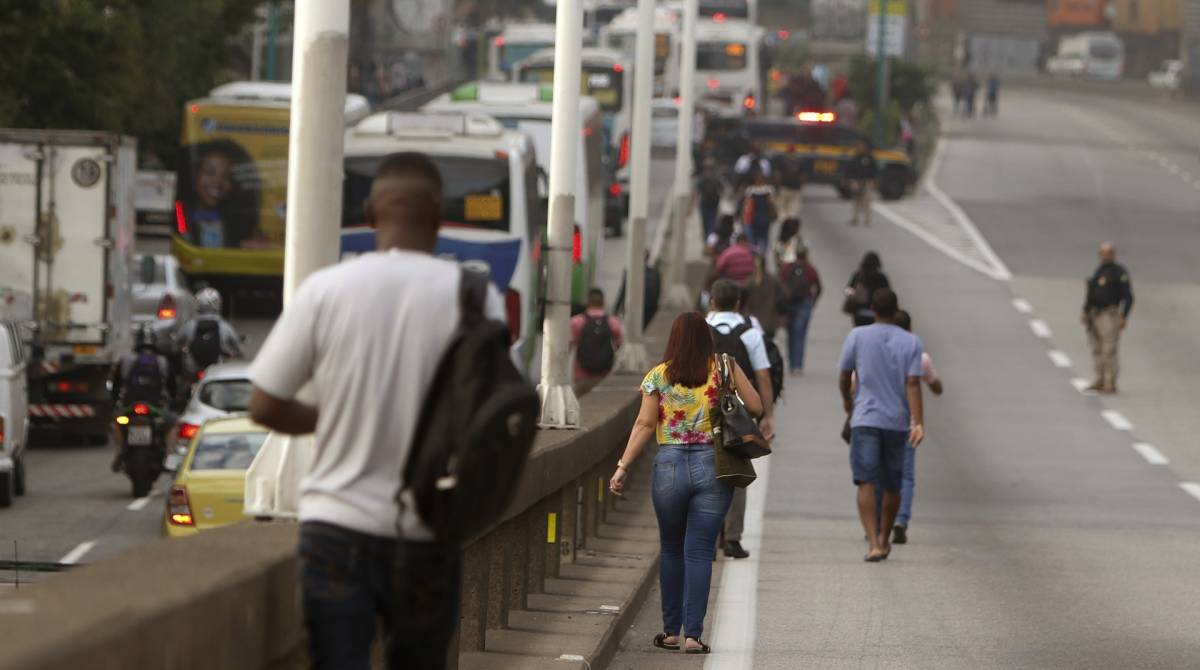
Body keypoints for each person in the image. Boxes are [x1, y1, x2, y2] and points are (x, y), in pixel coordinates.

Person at [248, 152, 506, 669]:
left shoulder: (325, 290)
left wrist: (331, 417)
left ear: (369, 215)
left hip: (334, 529)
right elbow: (490, 415)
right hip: (426, 532)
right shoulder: (477, 298)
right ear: (438, 217)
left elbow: (264, 404)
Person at [608, 312, 762, 655]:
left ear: (674, 339)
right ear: (707, 338)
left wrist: (622, 466)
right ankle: (694, 635)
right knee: (700, 550)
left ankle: (670, 632)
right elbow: (755, 406)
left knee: (672, 547)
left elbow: (645, 426)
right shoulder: (723, 368)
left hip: (669, 467)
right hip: (713, 464)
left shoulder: (659, 376)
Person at [837, 289, 925, 563]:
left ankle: (874, 542)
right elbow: (913, 384)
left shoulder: (858, 336)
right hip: (897, 422)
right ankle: (885, 538)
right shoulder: (911, 341)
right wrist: (918, 421)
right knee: (892, 485)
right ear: (896, 309)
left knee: (865, 481)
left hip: (865, 419)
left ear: (872, 308)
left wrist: (847, 401)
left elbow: (844, 373)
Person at [707, 280, 776, 560]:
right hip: (738, 413)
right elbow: (762, 375)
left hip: (705, 408)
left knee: (708, 471)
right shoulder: (750, 333)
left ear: (711, 302)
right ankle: (733, 537)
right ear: (739, 304)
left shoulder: (701, 328)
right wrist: (767, 414)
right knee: (737, 470)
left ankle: (709, 539)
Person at [886, 310, 942, 545]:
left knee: (879, 474)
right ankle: (900, 519)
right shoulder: (920, 357)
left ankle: (879, 520)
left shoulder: (878, 351)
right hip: (907, 425)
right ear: (910, 329)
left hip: (879, 421)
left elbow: (854, 382)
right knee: (906, 476)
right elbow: (936, 386)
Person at [110, 325, 174, 472]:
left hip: (130, 406)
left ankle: (120, 449)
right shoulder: (163, 361)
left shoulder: (126, 360)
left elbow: (116, 386)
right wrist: (173, 402)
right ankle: (170, 457)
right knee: (173, 423)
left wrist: (115, 404)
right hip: (156, 407)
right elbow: (172, 387)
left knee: (115, 422)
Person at [1082, 242, 1133, 394]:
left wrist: (1124, 316)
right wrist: (1086, 310)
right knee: (1096, 348)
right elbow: (1091, 293)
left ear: (1113, 254)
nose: (1106, 255)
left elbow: (1129, 297)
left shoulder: (1119, 272)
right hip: (1095, 314)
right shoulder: (1099, 271)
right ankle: (1099, 379)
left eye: (1109, 253)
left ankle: (1111, 382)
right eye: (1103, 253)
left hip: (1110, 314)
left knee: (1109, 349)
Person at [571, 288, 625, 395]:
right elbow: (621, 345)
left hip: (581, 375)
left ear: (588, 302)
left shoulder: (577, 322)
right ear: (603, 302)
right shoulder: (612, 322)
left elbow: (568, 345)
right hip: (604, 375)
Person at [176, 287, 243, 373]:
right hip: (216, 368)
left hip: (192, 368)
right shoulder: (223, 325)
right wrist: (238, 351)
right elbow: (235, 342)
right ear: (218, 304)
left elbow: (177, 342)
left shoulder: (190, 325)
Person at [782, 247, 821, 375]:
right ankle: (797, 365)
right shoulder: (810, 269)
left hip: (789, 303)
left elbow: (780, 283)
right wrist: (813, 302)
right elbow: (819, 286)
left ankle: (791, 362)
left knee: (791, 333)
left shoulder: (787, 268)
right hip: (805, 302)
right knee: (800, 334)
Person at [742, 256, 786, 337]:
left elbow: (742, 299)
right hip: (769, 321)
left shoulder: (749, 282)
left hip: (753, 321)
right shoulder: (773, 280)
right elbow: (785, 294)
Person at [844, 252, 890, 328]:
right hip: (876, 312)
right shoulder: (881, 278)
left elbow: (849, 289)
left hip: (859, 311)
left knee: (860, 332)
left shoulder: (858, 275)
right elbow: (888, 295)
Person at [741, 171, 776, 254]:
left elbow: (746, 206)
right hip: (765, 218)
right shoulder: (769, 190)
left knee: (755, 237)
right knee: (764, 236)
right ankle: (763, 253)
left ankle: (756, 253)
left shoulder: (750, 190)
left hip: (754, 218)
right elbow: (772, 203)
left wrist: (743, 217)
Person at [845, 139, 877, 227]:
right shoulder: (855, 158)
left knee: (867, 201)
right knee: (855, 201)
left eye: (863, 146)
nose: (861, 148)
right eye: (859, 146)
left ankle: (867, 219)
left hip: (867, 181)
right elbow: (849, 170)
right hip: (857, 181)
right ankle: (854, 218)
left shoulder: (869, 158)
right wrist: (852, 181)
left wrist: (873, 181)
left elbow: (874, 170)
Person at [696, 160, 724, 239]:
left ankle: (708, 239)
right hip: (706, 204)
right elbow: (697, 191)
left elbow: (721, 189)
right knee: (707, 223)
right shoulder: (705, 178)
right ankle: (708, 238)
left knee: (711, 223)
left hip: (712, 204)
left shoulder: (713, 178)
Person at [773, 155, 805, 220]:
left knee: (781, 208)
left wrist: (777, 186)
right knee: (793, 209)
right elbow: (803, 176)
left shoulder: (782, 161)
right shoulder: (800, 162)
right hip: (795, 189)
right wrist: (801, 186)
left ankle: (784, 223)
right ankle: (790, 222)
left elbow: (777, 175)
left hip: (784, 187)